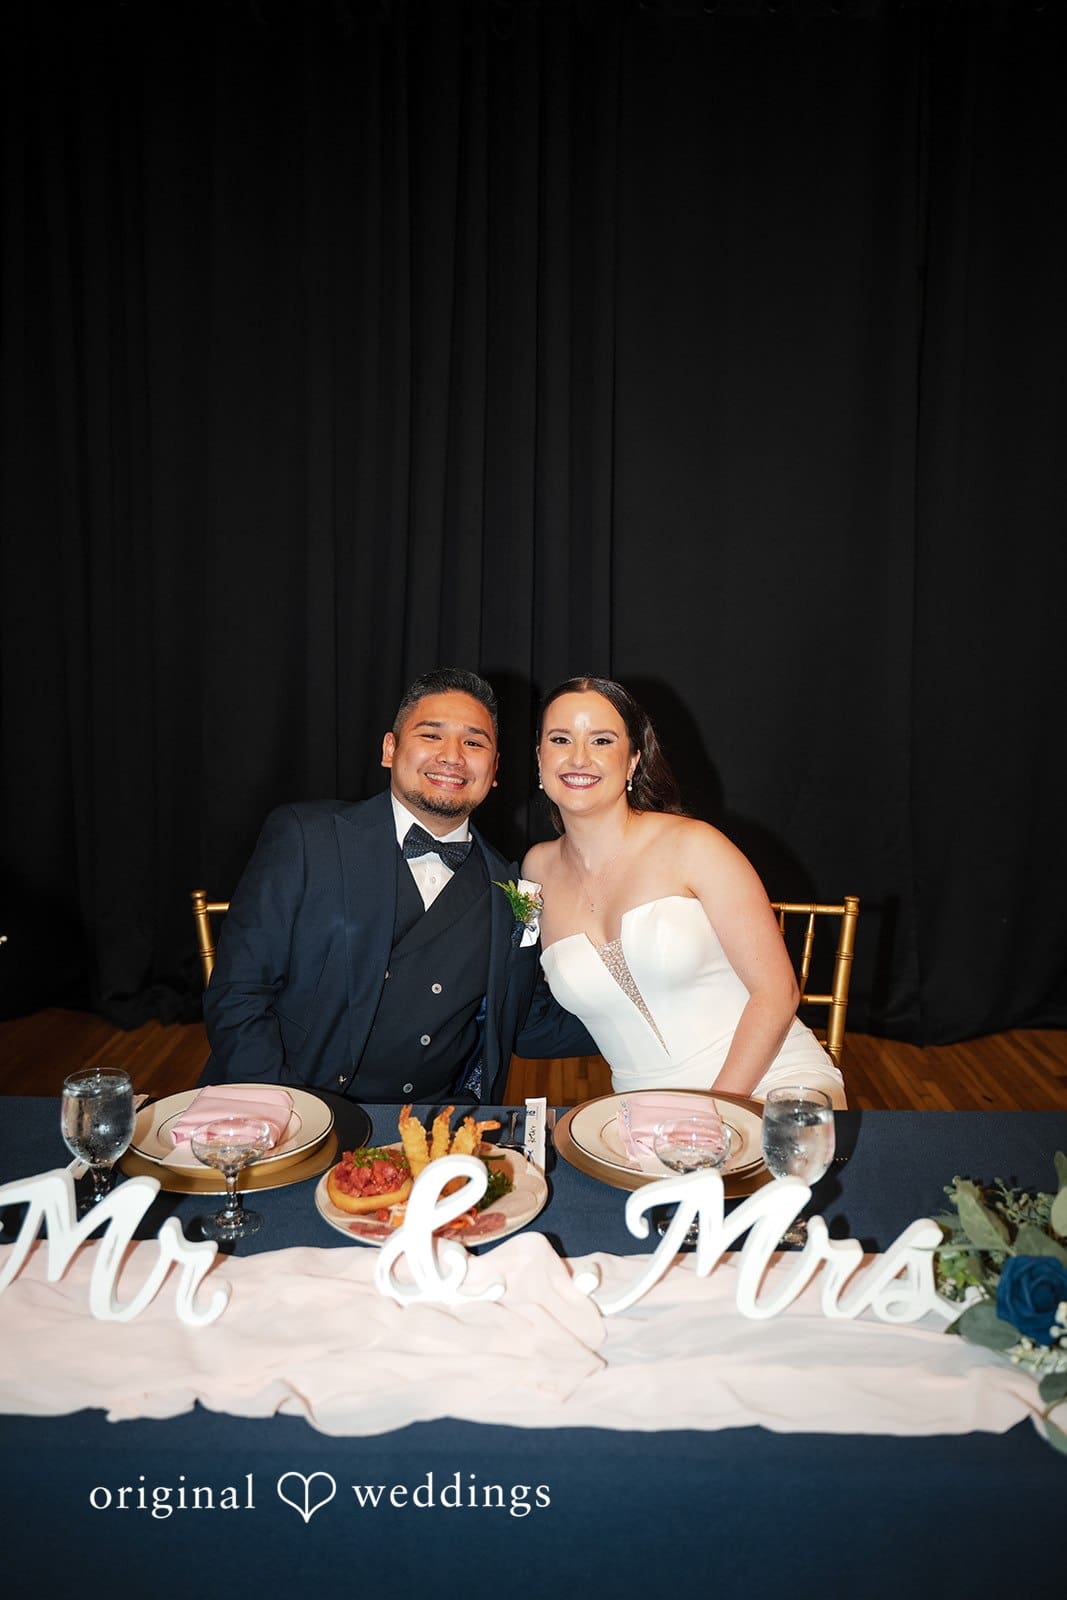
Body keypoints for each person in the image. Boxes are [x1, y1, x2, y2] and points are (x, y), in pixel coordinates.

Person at [202, 668, 593, 1101]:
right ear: (390, 749)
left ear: (495, 768)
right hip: (288, 1112)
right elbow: (238, 997)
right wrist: (289, 1119)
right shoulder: (304, 837)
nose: (452, 756)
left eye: (474, 742)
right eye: (430, 735)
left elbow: (524, 1023)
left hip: (430, 1131)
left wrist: (654, 1014)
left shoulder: (513, 888)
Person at [522, 676, 847, 1108]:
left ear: (633, 761)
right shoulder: (534, 870)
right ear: (540, 757)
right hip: (644, 1110)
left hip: (771, 1082)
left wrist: (713, 1110)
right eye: (561, 739)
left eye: (601, 740)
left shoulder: (695, 845)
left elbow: (778, 990)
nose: (579, 757)